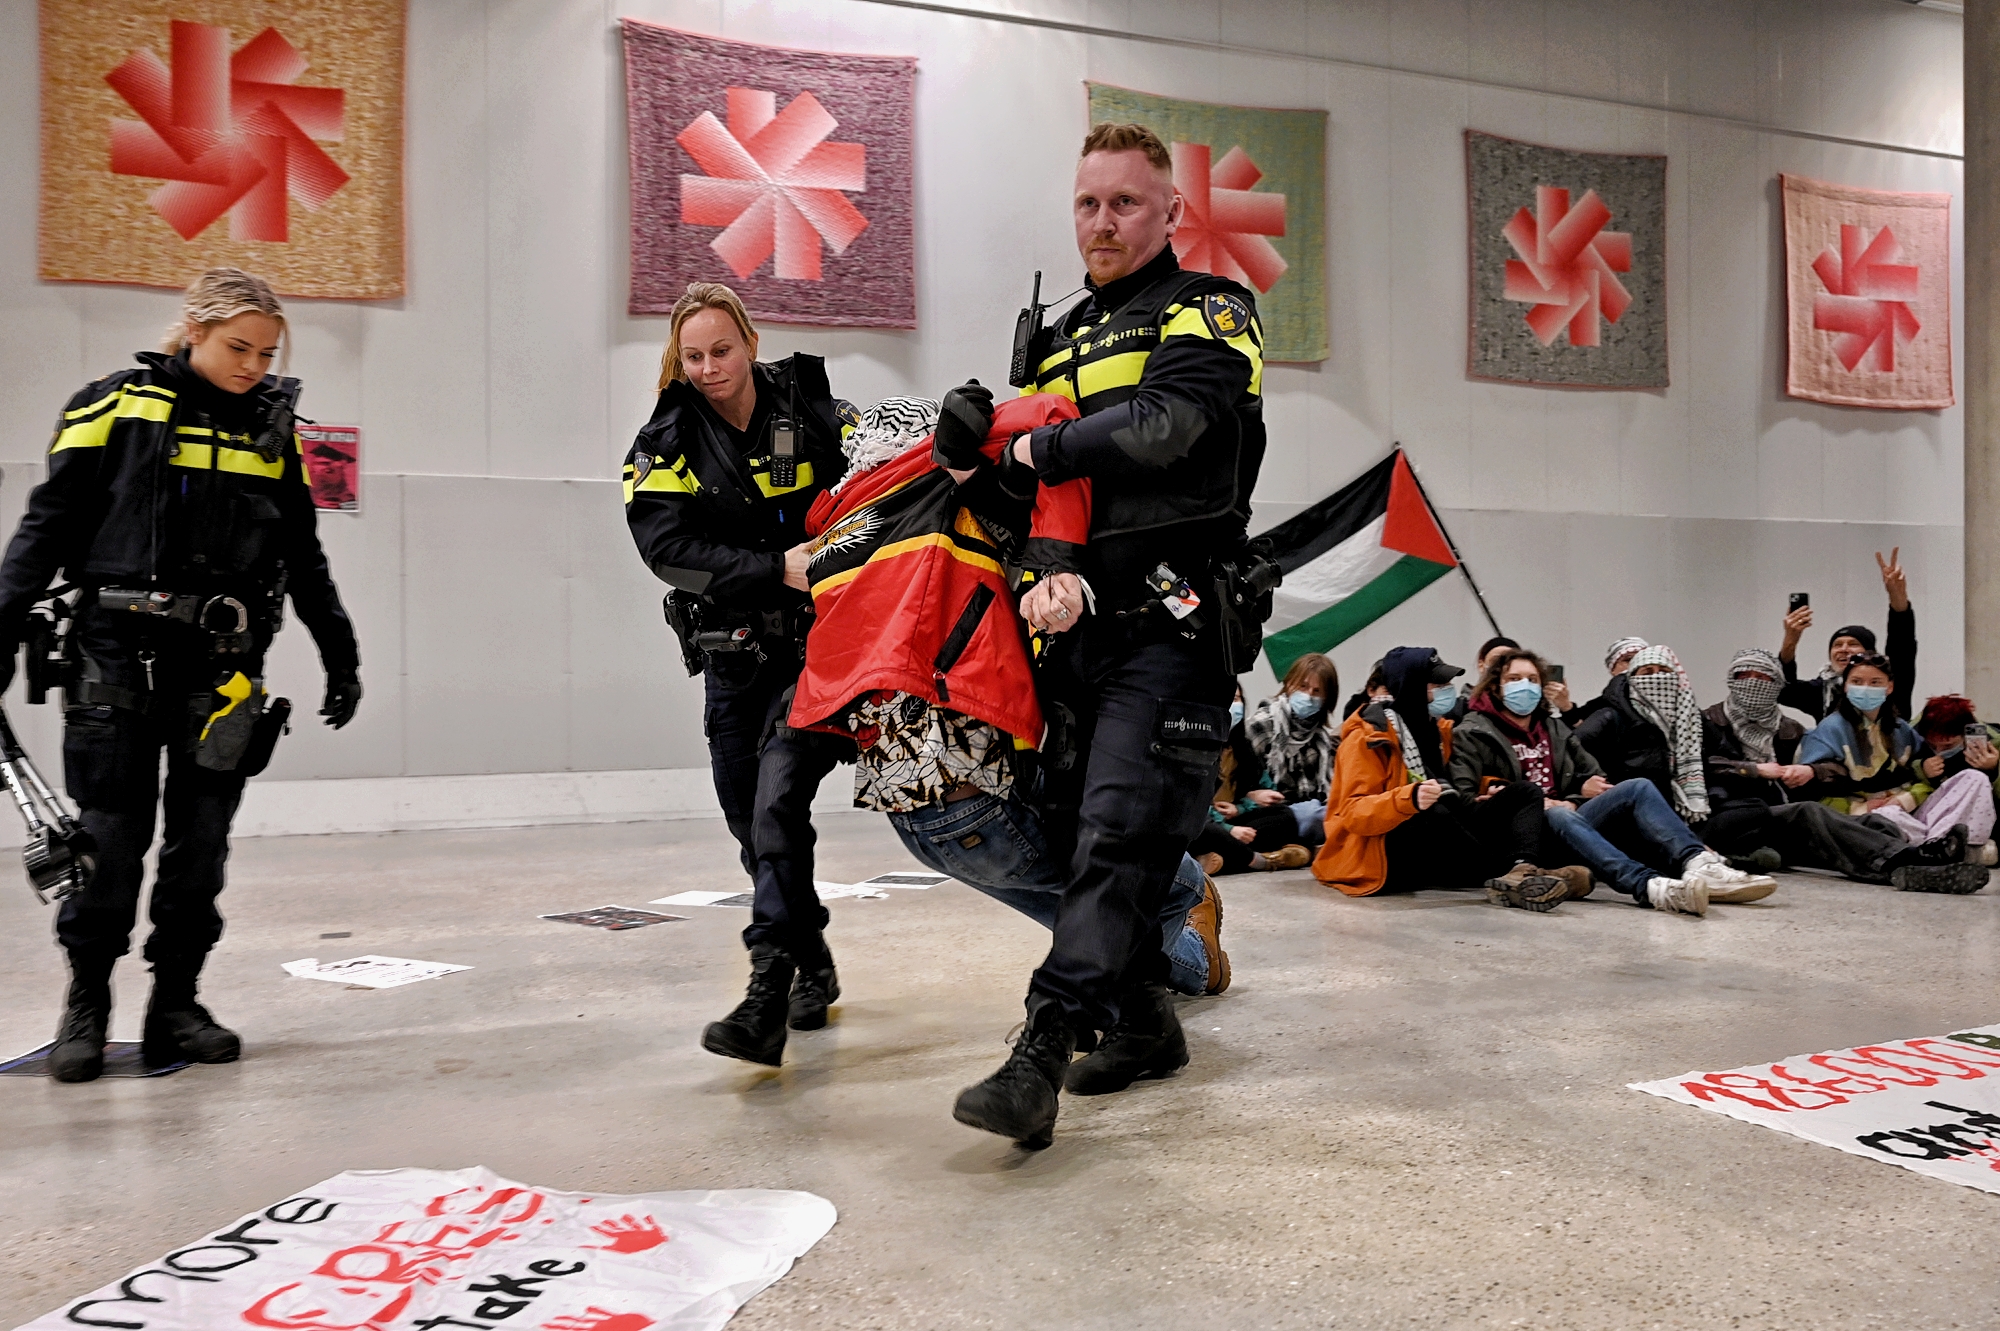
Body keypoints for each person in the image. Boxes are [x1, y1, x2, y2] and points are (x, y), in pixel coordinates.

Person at [950, 122, 1268, 1150]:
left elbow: (1166, 426)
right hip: (1069, 634)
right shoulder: (1054, 334)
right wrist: (971, 448)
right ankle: (1140, 1019)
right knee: (1053, 821)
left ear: (1169, 210)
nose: (1102, 221)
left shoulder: (1210, 309)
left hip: (1173, 626)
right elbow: (1026, 502)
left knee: (1118, 831)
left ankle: (1042, 1044)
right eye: (1087, 203)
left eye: (1124, 202)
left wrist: (1031, 439)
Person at [0, 268, 362, 1083]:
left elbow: (302, 554)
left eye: (266, 353)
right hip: (113, 656)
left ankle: (177, 1003)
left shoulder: (271, 433)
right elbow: (47, 523)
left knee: (200, 846)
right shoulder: (113, 405)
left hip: (222, 668)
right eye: (238, 347)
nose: (252, 366)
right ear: (192, 329)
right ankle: (86, 1003)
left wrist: (340, 650)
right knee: (110, 842)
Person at [621, 282, 857, 1059]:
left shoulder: (812, 406)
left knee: (777, 800)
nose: (709, 366)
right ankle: (811, 959)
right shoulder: (667, 437)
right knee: (746, 819)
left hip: (815, 651)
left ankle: (768, 988)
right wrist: (771, 568)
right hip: (732, 656)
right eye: (693, 355)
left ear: (750, 343)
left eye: (721, 349)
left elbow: (878, 480)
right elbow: (668, 553)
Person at [1449, 648, 1771, 913]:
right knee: (1557, 812)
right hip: (1522, 837)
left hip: (1568, 821)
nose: (1526, 686)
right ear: (1496, 686)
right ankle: (1649, 886)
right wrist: (1532, 800)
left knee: (1638, 787)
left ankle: (1698, 862)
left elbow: (1594, 776)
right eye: (1514, 679)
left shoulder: (1554, 729)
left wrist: (1577, 791)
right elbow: (1465, 798)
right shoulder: (1473, 731)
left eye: (1533, 679)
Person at [1314, 646, 1568, 906]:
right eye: (1439, 682)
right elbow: (1354, 813)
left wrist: (1489, 788)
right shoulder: (1367, 737)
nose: (1449, 688)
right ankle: (1509, 874)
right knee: (1434, 812)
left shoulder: (1439, 730)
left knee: (1524, 792)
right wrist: (1409, 798)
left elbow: (1448, 784)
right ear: (1411, 686)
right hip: (1383, 843)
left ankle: (1522, 868)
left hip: (1443, 820)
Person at [1702, 652, 1971, 889]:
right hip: (1731, 812)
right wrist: (1754, 770)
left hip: (1774, 816)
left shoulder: (1789, 728)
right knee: (1809, 811)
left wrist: (1811, 770)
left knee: (1876, 823)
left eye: (1764, 679)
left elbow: (1831, 770)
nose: (1753, 684)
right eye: (1744, 676)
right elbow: (1700, 765)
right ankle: (1907, 859)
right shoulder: (1708, 721)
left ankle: (1912, 870)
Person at [1792, 653, 1987, 893]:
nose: (1866, 689)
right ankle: (1932, 856)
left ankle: (1942, 847)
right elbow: (1815, 799)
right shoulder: (1828, 732)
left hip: (1909, 812)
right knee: (1888, 816)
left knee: (1973, 779)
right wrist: (1864, 809)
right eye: (1858, 682)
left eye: (1875, 682)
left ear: (1889, 687)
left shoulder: (1901, 729)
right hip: (1866, 821)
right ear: (1845, 687)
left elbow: (1925, 777)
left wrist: (1907, 797)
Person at [1574, 645, 1708, 824]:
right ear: (1632, 679)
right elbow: (1568, 754)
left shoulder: (1690, 718)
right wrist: (1581, 784)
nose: (1657, 677)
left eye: (1664, 671)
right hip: (1627, 810)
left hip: (1681, 807)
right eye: (1647, 672)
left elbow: (1718, 754)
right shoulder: (1609, 716)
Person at [1778, 549, 1917, 720]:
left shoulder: (1890, 682)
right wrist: (1790, 641)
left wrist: (1898, 600)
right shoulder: (1822, 690)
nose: (1843, 649)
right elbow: (1783, 690)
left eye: (1853, 644)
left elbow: (1902, 646)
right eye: (1837, 645)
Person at [1192, 684, 1312, 875]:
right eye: (1227, 699)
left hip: (1234, 819)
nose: (1233, 705)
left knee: (1284, 816)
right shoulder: (1194, 747)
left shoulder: (1243, 747)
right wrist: (1228, 829)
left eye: (1237, 699)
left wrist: (1241, 807)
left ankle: (1219, 861)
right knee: (1205, 831)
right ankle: (1266, 861)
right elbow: (1188, 804)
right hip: (1205, 823)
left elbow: (1269, 790)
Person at [1242, 653, 1338, 844]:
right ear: (1288, 684)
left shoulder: (1322, 739)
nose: (1308, 696)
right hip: (1267, 814)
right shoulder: (1261, 726)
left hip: (1307, 811)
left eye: (1317, 691)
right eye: (1303, 686)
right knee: (1312, 815)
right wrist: (1252, 795)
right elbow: (1235, 784)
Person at [1909, 696, 2000, 865]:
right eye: (1933, 745)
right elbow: (1901, 780)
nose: (1939, 752)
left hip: (1983, 817)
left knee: (1976, 779)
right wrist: (1921, 770)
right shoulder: (1911, 736)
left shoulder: (1995, 741)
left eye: (1948, 746)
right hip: (1931, 815)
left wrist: (1994, 769)